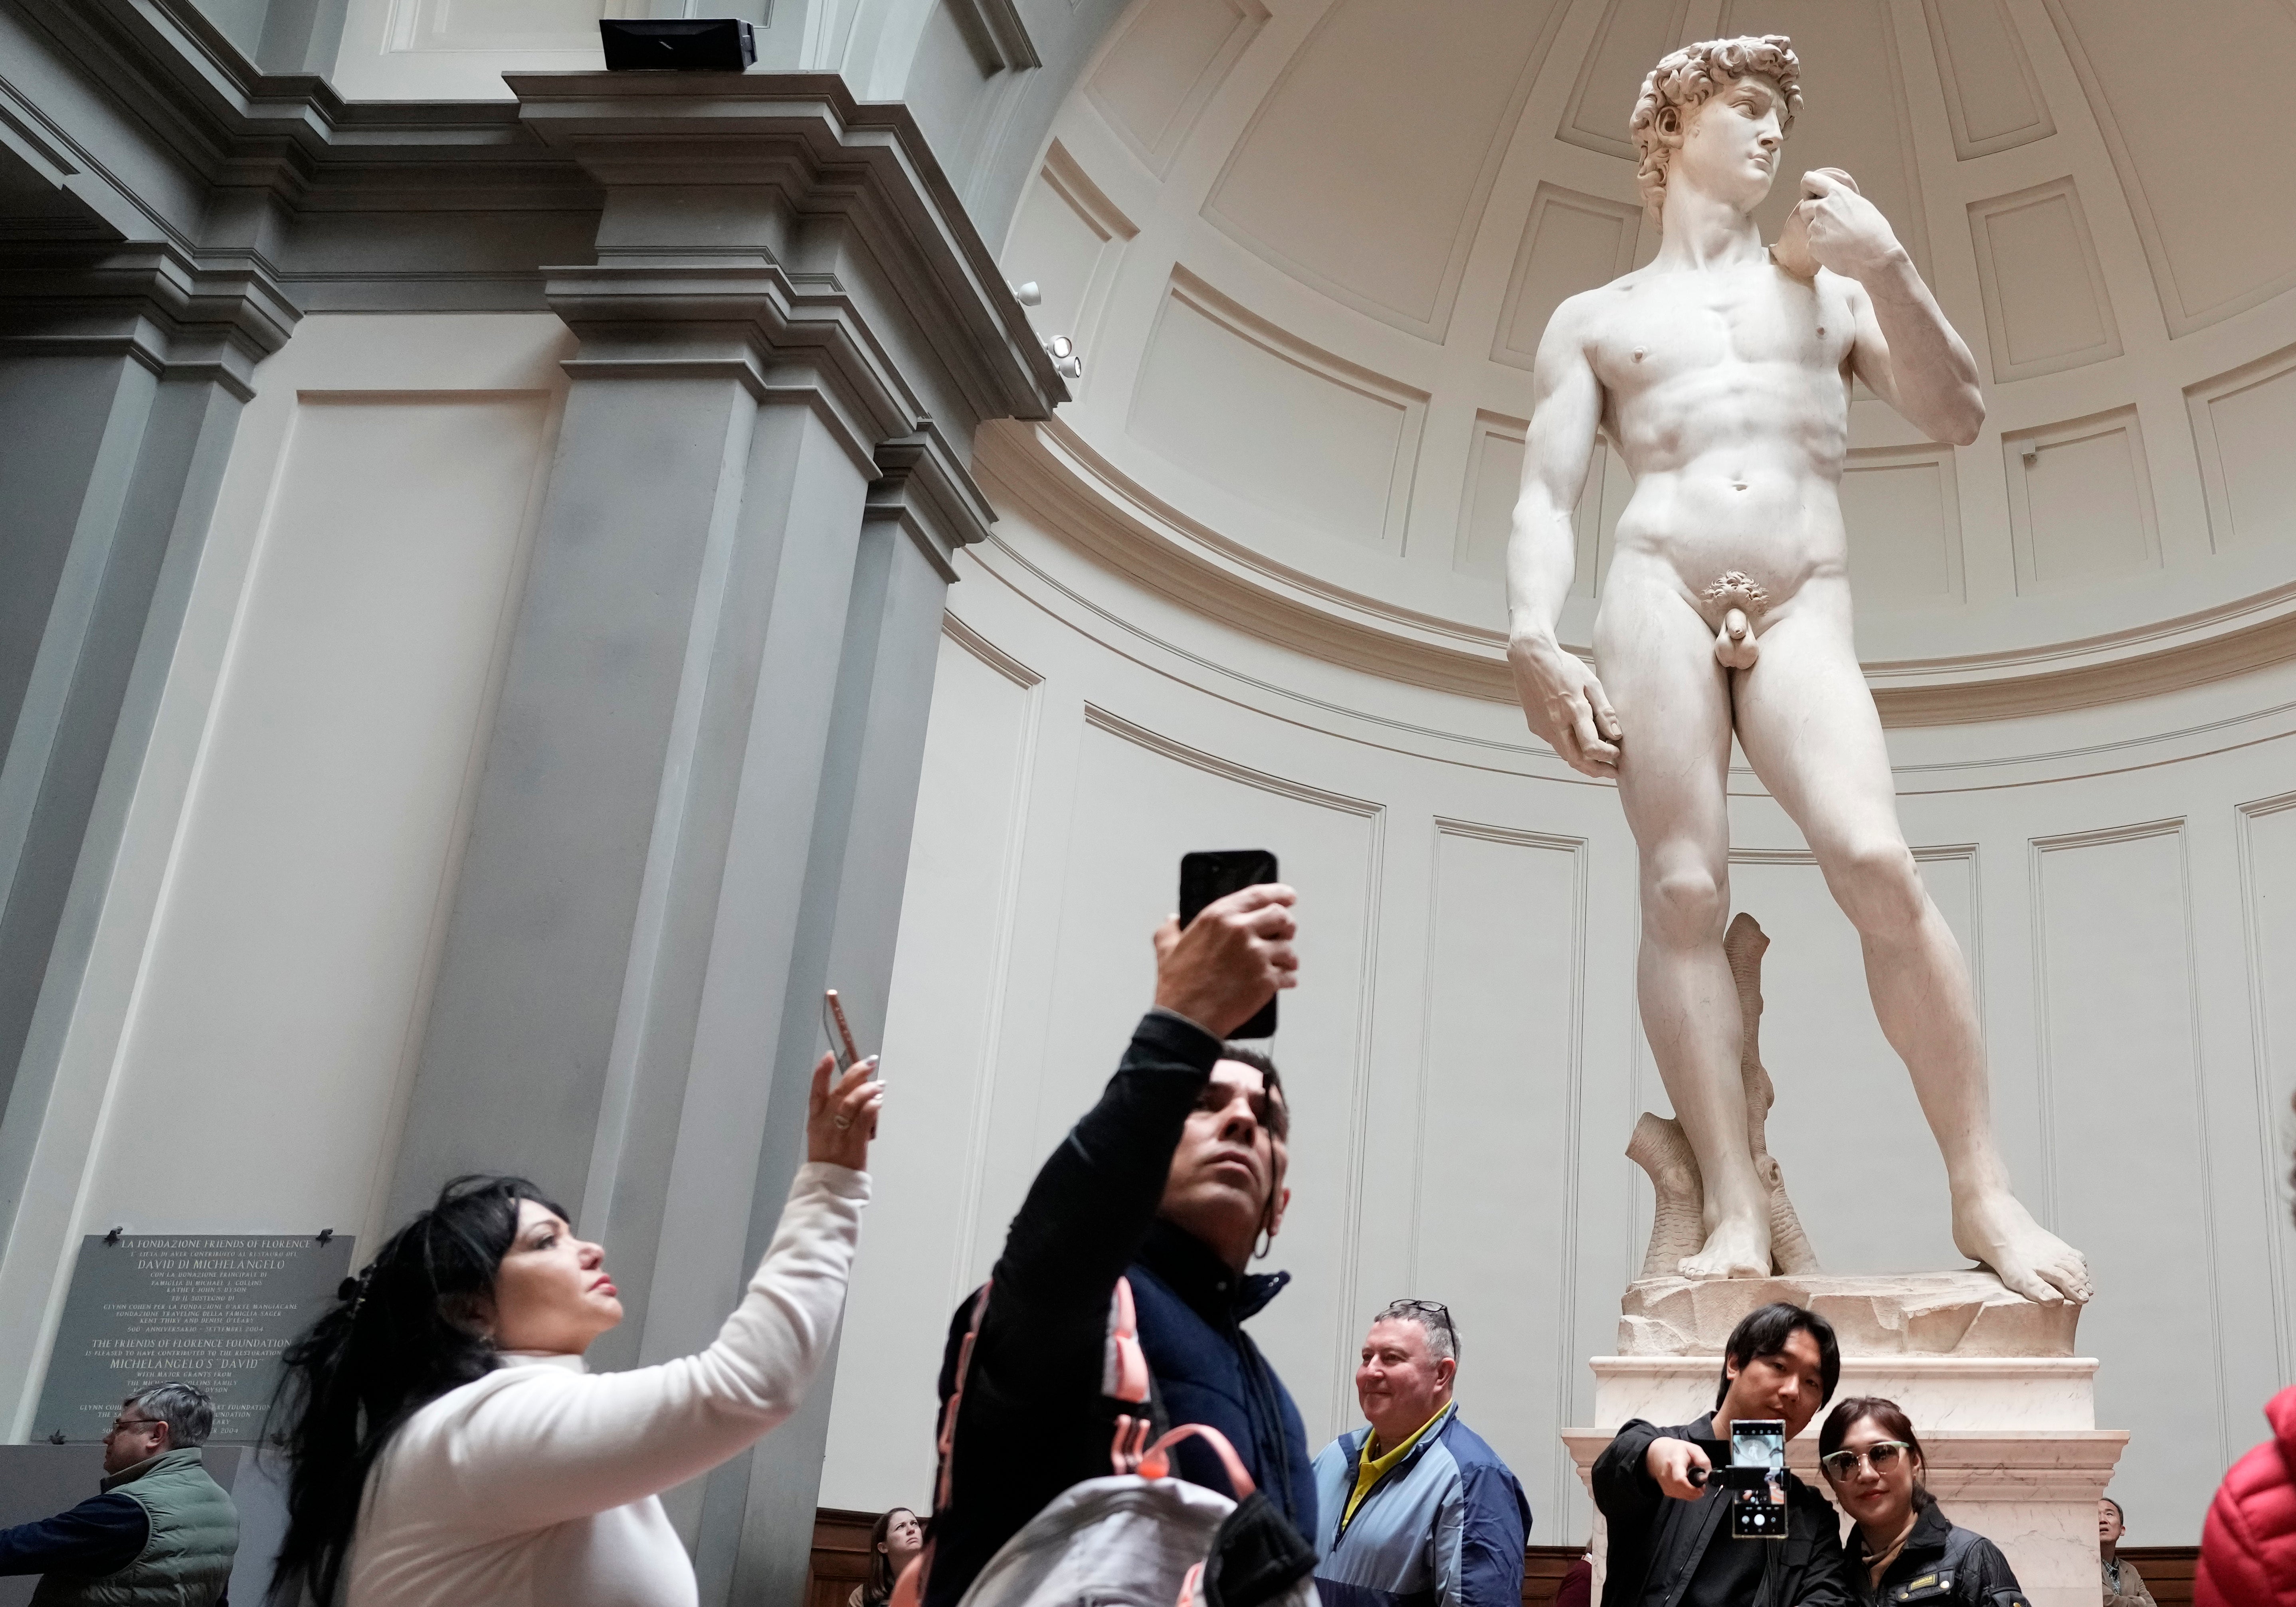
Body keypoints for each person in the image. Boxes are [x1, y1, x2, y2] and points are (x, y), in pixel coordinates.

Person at [1502, 32, 2087, 1304]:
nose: (1772, 134)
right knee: (1681, 889)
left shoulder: (1827, 291)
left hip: (1803, 593)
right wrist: (1532, 636)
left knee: (1876, 860)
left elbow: (1954, 412)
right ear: (1674, 131)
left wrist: (1890, 262)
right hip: (1656, 585)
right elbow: (1547, 494)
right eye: (1748, 109)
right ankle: (1728, 1202)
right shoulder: (1599, 318)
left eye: (1778, 114)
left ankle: (1981, 1187)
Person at [263, 1050, 883, 1607]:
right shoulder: (479, 1424)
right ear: (470, 1310)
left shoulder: (493, 1420)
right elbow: (747, 1384)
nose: (590, 1248)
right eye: (544, 1242)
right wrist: (831, 1183)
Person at [920, 883, 1308, 1607]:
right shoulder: (1075, 1305)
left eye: (1267, 1118)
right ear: (1149, 1145)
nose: (1242, 1123)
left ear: (1276, 1211)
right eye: (1203, 1103)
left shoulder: (1280, 1409)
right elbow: (1062, 1236)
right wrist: (1181, 1025)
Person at [1591, 1302, 1849, 1607]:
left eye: (1812, 1382)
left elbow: (1828, 1598)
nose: (1793, 1391)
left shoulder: (1810, 1513)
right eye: (1779, 1366)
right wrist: (1655, 1456)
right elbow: (1615, 1467)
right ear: (1734, 1363)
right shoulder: (1662, 1447)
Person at [1310, 1301, 1529, 1607]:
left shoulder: (1474, 1478)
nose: (1370, 1371)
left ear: (1441, 1373)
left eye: (1391, 1358)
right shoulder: (1332, 1457)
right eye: (1366, 1357)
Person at [0, 1381, 237, 1605]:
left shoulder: (128, 1510)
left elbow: (12, 1549)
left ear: (156, 1435)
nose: (107, 1439)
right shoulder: (221, 1504)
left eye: (120, 1428)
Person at [1815, 1396, 2025, 1605]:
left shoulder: (1971, 1558)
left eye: (1882, 1454)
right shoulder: (1829, 1579)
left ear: (1914, 1462)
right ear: (1830, 1478)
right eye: (1845, 1461)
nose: (1867, 1475)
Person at [851, 1507, 924, 1607]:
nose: (911, 1530)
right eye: (901, 1527)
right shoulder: (863, 1596)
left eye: (914, 1524)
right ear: (883, 1547)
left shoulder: (943, 1584)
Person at [2096, 1498, 2154, 1606]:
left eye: (2109, 1514)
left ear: (2122, 1530)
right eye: (2096, 1514)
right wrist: (2139, 1603)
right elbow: (2106, 1601)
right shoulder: (2083, 1565)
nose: (2102, 1520)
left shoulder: (2131, 1570)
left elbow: (2151, 1605)